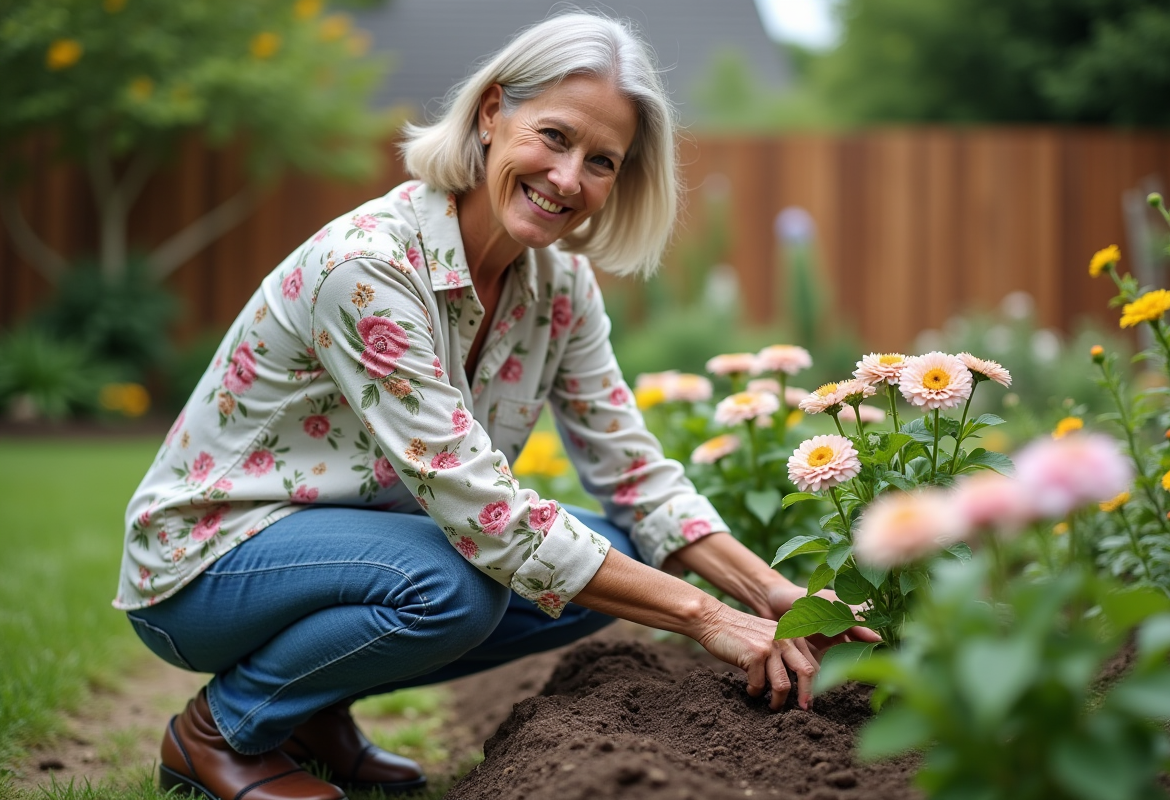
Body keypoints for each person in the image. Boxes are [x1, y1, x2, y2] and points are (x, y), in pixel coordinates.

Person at [115, 13, 877, 800]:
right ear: (490, 115)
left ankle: (312, 711)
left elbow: (633, 472)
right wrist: (704, 617)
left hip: (349, 554)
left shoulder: (559, 288)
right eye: (553, 135)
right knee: (458, 582)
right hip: (206, 563)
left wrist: (765, 591)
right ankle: (217, 734)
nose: (568, 178)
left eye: (602, 161)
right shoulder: (370, 267)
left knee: (623, 549)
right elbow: (483, 517)